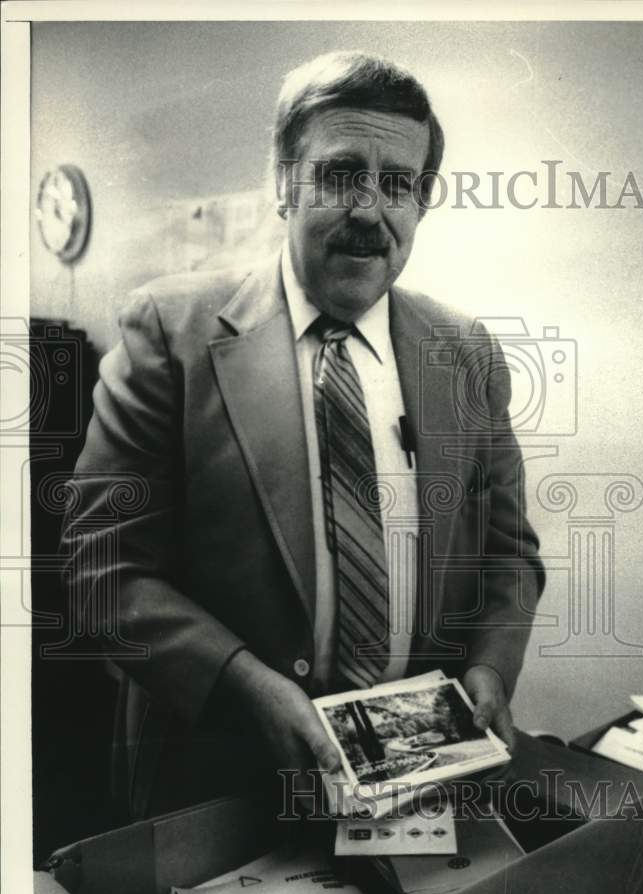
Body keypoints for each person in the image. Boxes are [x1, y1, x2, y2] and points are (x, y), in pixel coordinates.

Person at [60, 50, 545, 821]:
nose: (368, 211)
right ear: (284, 184)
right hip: (216, 774)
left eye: (396, 185)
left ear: (422, 202)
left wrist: (490, 664)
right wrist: (243, 682)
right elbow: (101, 568)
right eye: (340, 174)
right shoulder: (170, 330)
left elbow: (508, 553)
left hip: (416, 769)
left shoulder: (466, 351)